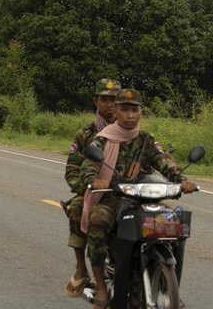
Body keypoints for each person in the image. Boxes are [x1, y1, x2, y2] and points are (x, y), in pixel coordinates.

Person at [78, 89, 198, 309]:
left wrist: (182, 180)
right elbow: (89, 166)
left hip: (143, 199)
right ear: (116, 111)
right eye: (125, 109)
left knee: (175, 221)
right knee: (98, 221)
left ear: (141, 112)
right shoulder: (102, 139)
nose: (130, 115)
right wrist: (95, 180)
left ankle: (170, 287)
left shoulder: (146, 140)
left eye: (134, 110)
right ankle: (101, 287)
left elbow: (164, 161)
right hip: (113, 198)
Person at [62, 79, 121, 298]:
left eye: (115, 99)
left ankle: (163, 280)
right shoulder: (85, 135)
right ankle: (81, 269)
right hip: (94, 193)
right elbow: (72, 170)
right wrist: (87, 188)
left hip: (126, 193)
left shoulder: (132, 131)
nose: (110, 104)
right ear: (96, 101)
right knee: (78, 208)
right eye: (105, 99)